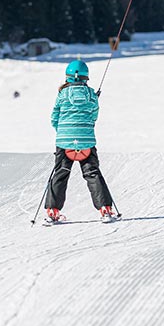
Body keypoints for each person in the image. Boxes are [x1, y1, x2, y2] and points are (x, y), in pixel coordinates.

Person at [45, 60, 117, 222]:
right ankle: (105, 209)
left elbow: (54, 118)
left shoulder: (62, 95)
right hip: (86, 142)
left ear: (68, 77)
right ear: (86, 77)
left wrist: (63, 132)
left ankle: (52, 211)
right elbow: (94, 117)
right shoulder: (91, 95)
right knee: (92, 173)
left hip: (64, 142)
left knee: (61, 173)